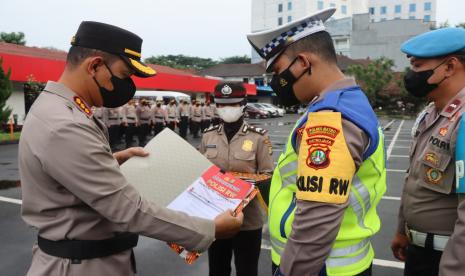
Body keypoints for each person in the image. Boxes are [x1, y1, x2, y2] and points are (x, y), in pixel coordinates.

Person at [18, 21, 243, 276]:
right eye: (124, 75)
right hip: (80, 266)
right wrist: (210, 228)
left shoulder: (58, 109)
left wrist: (109, 161)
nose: (127, 86)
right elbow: (127, 209)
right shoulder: (65, 124)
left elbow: (62, 178)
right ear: (94, 66)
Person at [247, 8, 387, 275]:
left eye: (277, 71)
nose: (276, 83)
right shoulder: (347, 102)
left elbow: (316, 221)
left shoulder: (331, 118)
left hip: (319, 267)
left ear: (302, 62)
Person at [390, 27, 465, 276]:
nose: (411, 74)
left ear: (450, 67)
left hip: (447, 259)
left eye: (418, 66)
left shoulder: (462, 120)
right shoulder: (430, 114)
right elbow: (414, 178)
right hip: (418, 251)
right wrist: (403, 230)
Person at [199, 81, 274, 276]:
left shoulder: (259, 137)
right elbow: (200, 173)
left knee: (247, 270)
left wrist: (235, 182)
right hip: (216, 218)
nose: (227, 109)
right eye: (222, 105)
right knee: (217, 269)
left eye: (232, 104)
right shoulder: (208, 136)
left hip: (248, 220)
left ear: (243, 105)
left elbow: (268, 175)